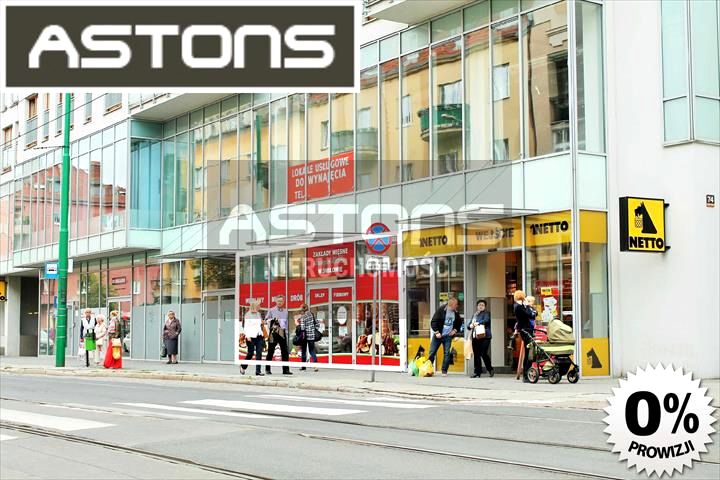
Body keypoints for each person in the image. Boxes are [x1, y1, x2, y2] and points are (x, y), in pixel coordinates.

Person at [429, 297, 463, 377]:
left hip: (448, 336)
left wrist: (455, 330)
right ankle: (429, 369)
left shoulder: (456, 312)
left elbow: (459, 322)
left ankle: (444, 370)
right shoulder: (441, 310)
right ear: (451, 305)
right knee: (432, 352)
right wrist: (437, 332)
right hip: (438, 336)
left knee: (447, 353)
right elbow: (433, 322)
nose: (457, 306)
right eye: (456, 305)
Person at [265, 295, 292, 375]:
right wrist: (273, 320)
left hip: (282, 332)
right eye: (278, 301)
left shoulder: (285, 311)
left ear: (283, 302)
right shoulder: (271, 310)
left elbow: (286, 323)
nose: (280, 302)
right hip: (274, 332)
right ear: (276, 301)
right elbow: (266, 320)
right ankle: (267, 369)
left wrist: (286, 332)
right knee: (271, 350)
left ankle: (286, 370)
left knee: (285, 351)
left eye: (281, 301)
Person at [468, 299, 493, 378]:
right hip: (475, 337)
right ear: (477, 306)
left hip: (485, 336)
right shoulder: (475, 315)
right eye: (479, 305)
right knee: (476, 354)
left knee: (483, 353)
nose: (481, 306)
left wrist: (477, 323)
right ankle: (477, 372)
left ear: (485, 307)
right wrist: (470, 326)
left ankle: (490, 369)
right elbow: (469, 325)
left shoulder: (486, 313)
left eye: (482, 305)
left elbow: (486, 320)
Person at [513, 290, 534, 382]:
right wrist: (527, 307)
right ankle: (526, 374)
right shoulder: (519, 307)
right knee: (528, 351)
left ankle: (526, 373)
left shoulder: (520, 306)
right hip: (525, 330)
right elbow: (530, 315)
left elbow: (533, 314)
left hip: (526, 329)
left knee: (529, 351)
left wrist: (528, 308)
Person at [240, 300, 265, 376]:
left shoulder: (258, 314)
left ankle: (258, 371)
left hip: (259, 335)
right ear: (254, 306)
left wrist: (262, 322)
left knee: (259, 353)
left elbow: (260, 324)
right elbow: (246, 327)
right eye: (258, 306)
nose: (259, 307)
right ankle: (243, 366)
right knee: (250, 353)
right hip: (250, 336)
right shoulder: (248, 315)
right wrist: (247, 336)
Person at [299, 303, 319, 371]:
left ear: (303, 309)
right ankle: (316, 366)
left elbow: (302, 328)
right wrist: (314, 330)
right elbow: (317, 324)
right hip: (311, 336)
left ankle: (303, 367)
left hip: (305, 336)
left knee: (304, 351)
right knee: (312, 350)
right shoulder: (312, 314)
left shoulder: (303, 316)